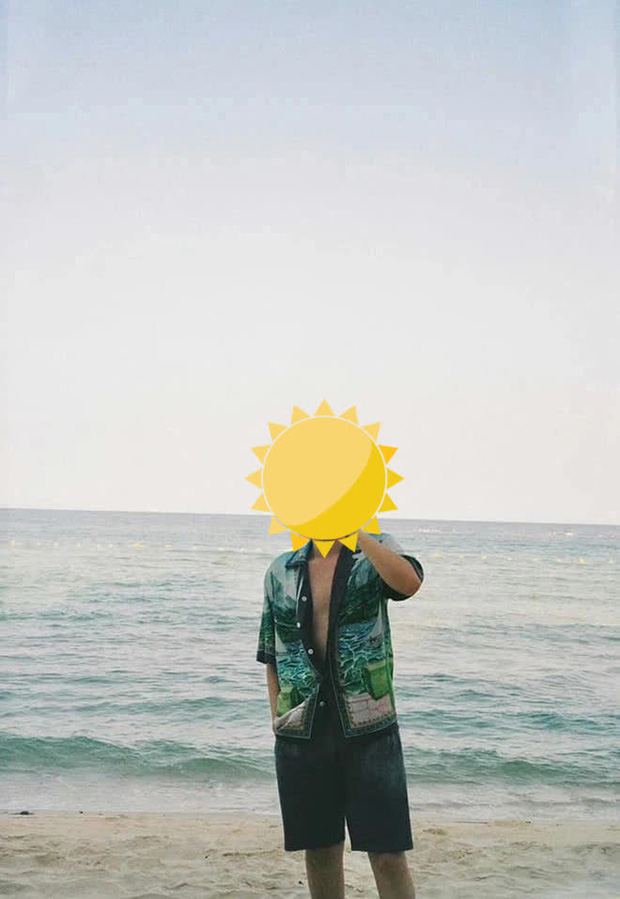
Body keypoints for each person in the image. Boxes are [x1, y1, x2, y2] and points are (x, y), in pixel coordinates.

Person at [256, 529, 424, 898]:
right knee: (320, 851)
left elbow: (409, 583)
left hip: (369, 729)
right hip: (301, 731)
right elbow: (271, 653)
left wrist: (358, 533)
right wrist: (278, 719)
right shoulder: (281, 570)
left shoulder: (375, 550)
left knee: (387, 854)